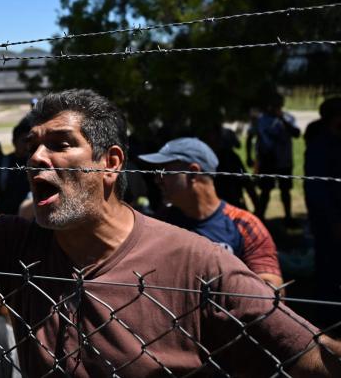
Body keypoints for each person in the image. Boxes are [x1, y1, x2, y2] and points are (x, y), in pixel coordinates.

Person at [0, 40, 341, 377]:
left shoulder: (198, 264)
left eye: (61, 144)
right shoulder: (20, 247)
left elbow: (310, 358)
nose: (36, 158)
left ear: (110, 164)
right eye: (31, 146)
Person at [139, 137, 283, 288]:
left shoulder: (244, 224)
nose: (157, 180)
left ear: (193, 173)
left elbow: (270, 289)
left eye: (163, 171)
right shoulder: (162, 221)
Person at [304, 96, 341, 330]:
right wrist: (333, 222)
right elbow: (317, 191)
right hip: (329, 221)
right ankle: (328, 316)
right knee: (329, 266)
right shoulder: (320, 147)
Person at [246, 91, 301, 224]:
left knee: (285, 190)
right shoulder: (260, 120)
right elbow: (250, 137)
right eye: (271, 104)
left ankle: (288, 216)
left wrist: (282, 119)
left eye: (277, 104)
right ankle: (260, 216)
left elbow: (296, 133)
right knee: (265, 190)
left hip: (284, 160)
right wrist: (249, 156)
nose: (274, 106)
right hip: (266, 161)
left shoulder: (288, 118)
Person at [0, 118, 32, 215]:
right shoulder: (3, 163)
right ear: (14, 142)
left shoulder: (36, 163)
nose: (28, 145)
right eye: (24, 141)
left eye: (30, 141)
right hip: (6, 215)